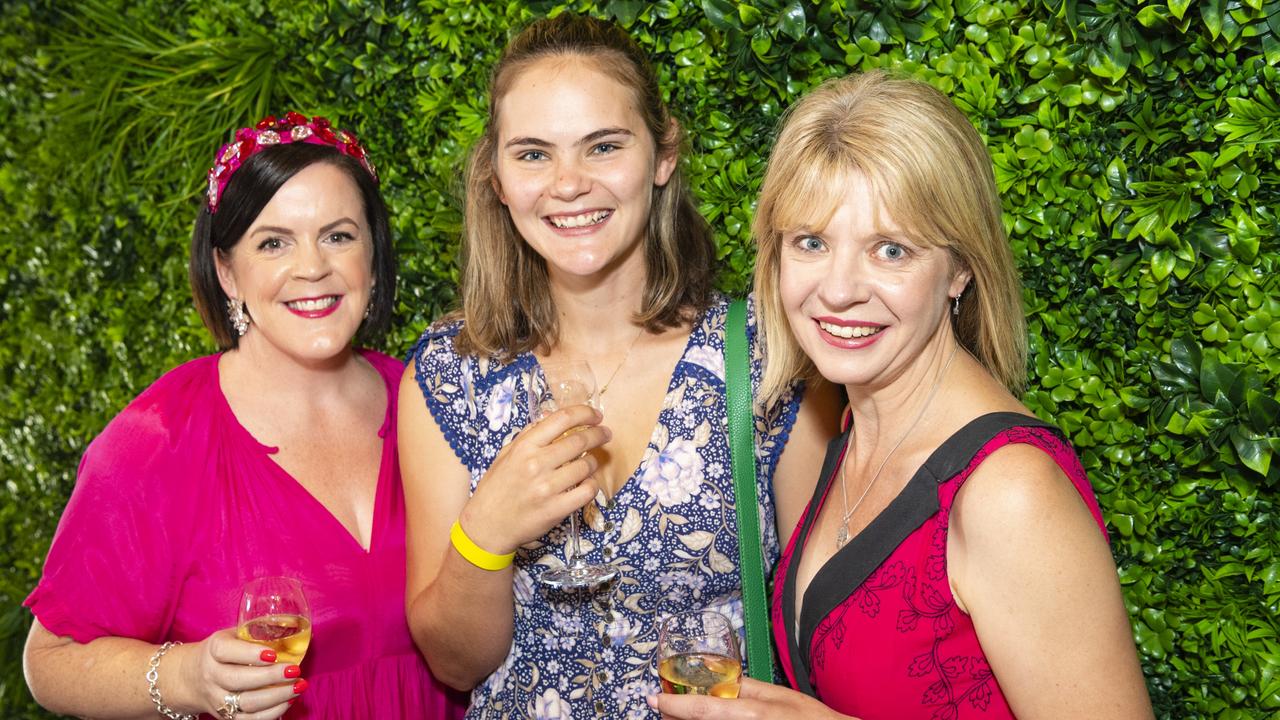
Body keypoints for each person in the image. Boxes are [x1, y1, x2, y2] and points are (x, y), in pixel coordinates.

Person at [651, 71, 1154, 719]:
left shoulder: (1009, 493)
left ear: (961, 268)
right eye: (811, 242)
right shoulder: (852, 432)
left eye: (890, 250)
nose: (838, 290)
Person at [399, 13, 838, 719]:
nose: (567, 184)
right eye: (534, 154)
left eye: (603, 146)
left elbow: (829, 632)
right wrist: (484, 533)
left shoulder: (771, 355)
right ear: (497, 177)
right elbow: (456, 664)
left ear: (662, 156)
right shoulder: (451, 375)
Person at [23, 112, 464, 720]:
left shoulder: (435, 400)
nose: (312, 267)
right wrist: (183, 676)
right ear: (227, 271)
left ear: (374, 252)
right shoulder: (158, 440)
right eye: (273, 242)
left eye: (339, 235)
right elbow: (51, 660)